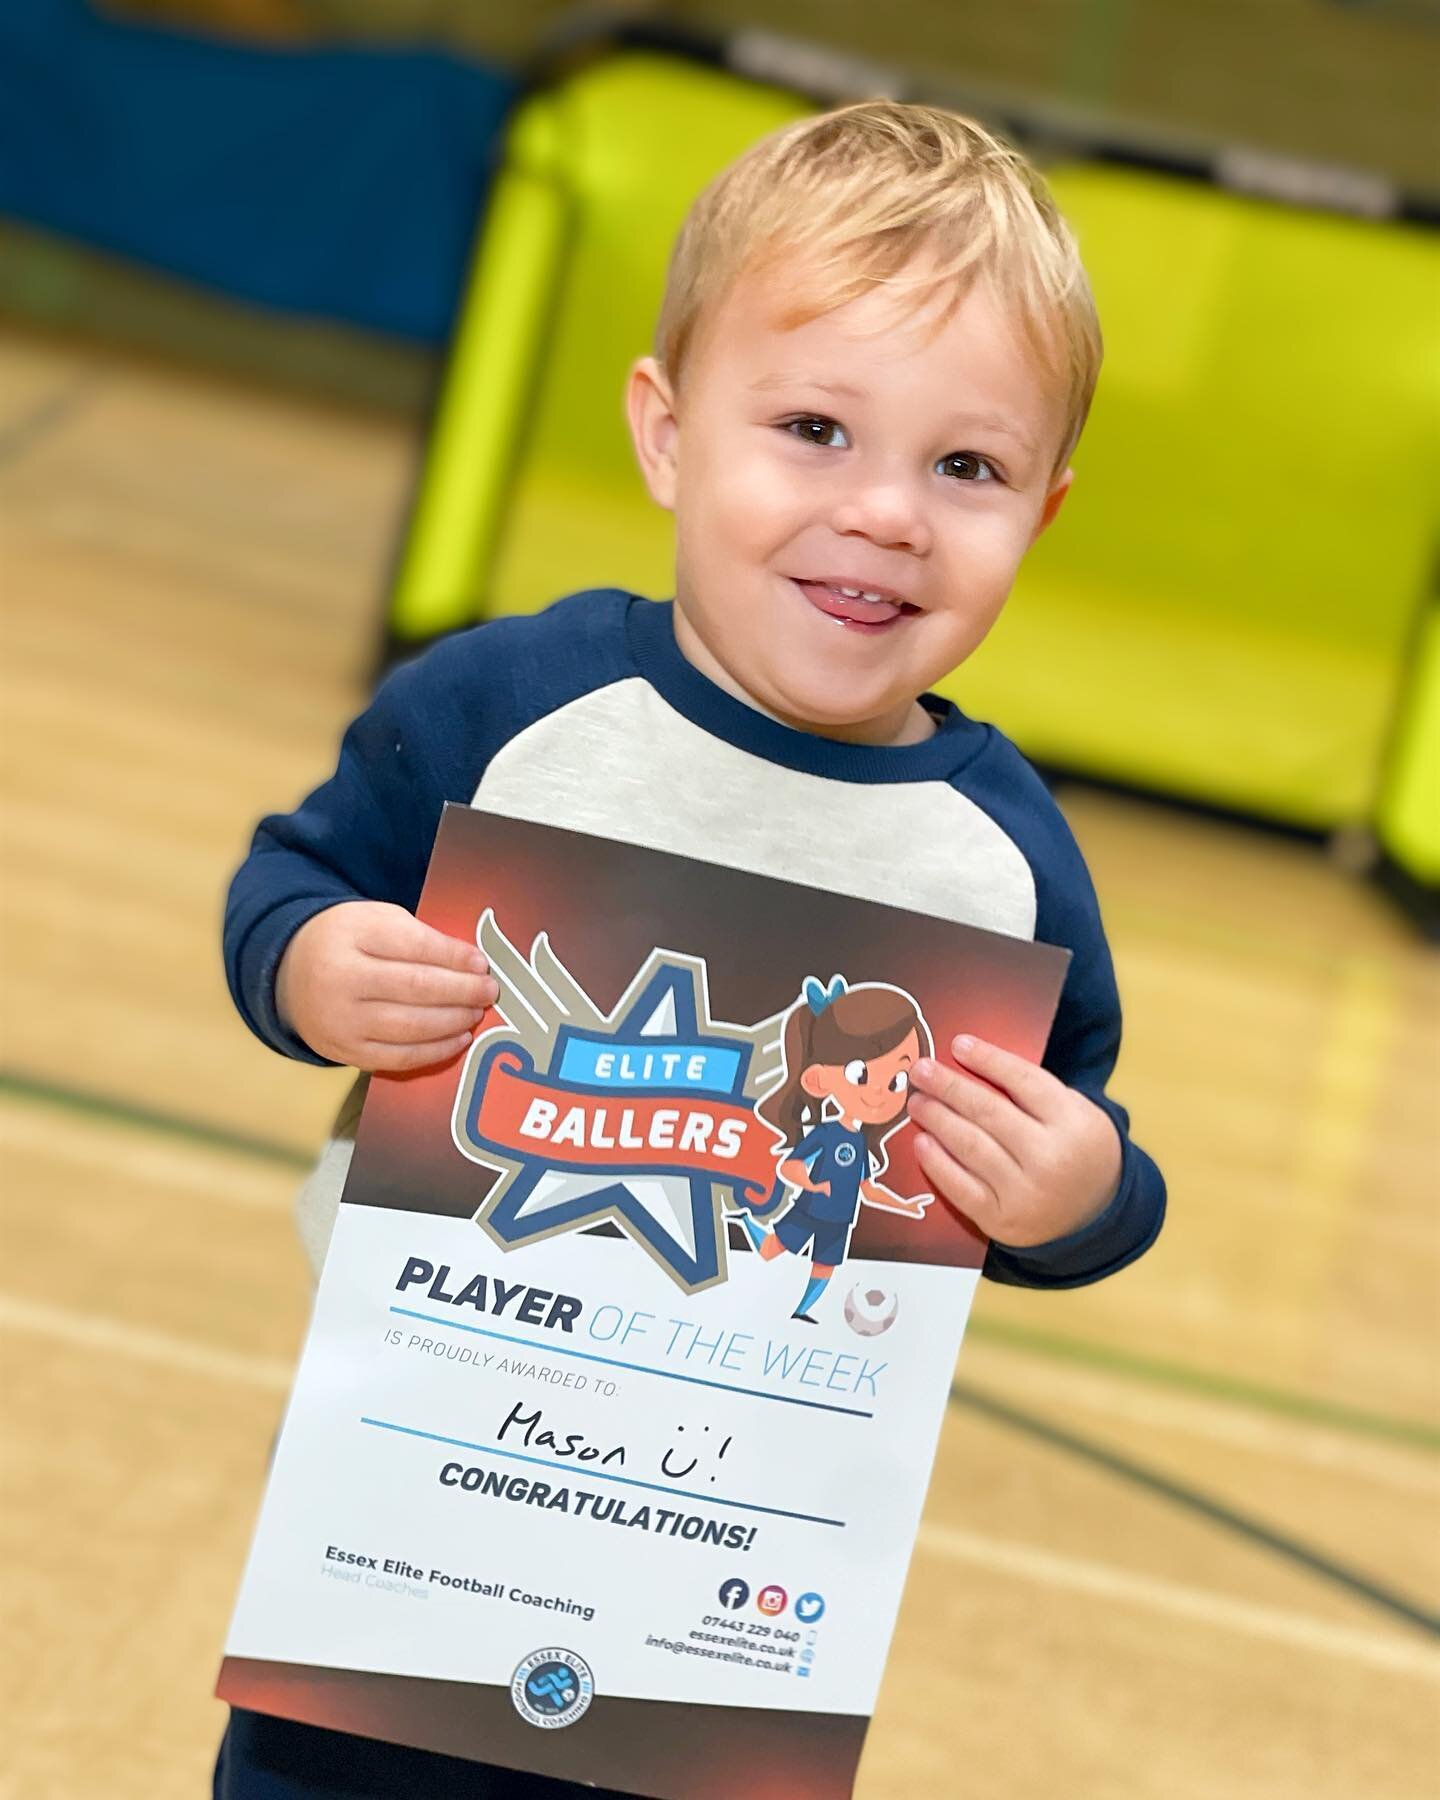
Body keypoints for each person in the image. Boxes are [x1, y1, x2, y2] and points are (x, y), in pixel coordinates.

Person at [218, 98, 1166, 1799]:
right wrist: (312, 970)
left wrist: (1079, 1194)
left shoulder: (1004, 864)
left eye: (968, 466)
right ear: (665, 436)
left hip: (737, 1548)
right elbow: (288, 886)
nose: (886, 514)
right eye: (813, 427)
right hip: (426, 1467)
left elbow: (1078, 1159)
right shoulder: (507, 711)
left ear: (1048, 511)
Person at [743, 974, 932, 1322]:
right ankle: (746, 1222)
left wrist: (905, 1205)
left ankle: (801, 1312)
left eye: (897, 1081)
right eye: (861, 1074)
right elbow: (789, 1166)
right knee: (771, 1250)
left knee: (825, 1267)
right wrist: (813, 1185)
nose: (879, 1091)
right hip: (809, 1211)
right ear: (817, 1078)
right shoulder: (827, 1133)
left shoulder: (861, 1144)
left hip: (840, 1221)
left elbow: (867, 1189)